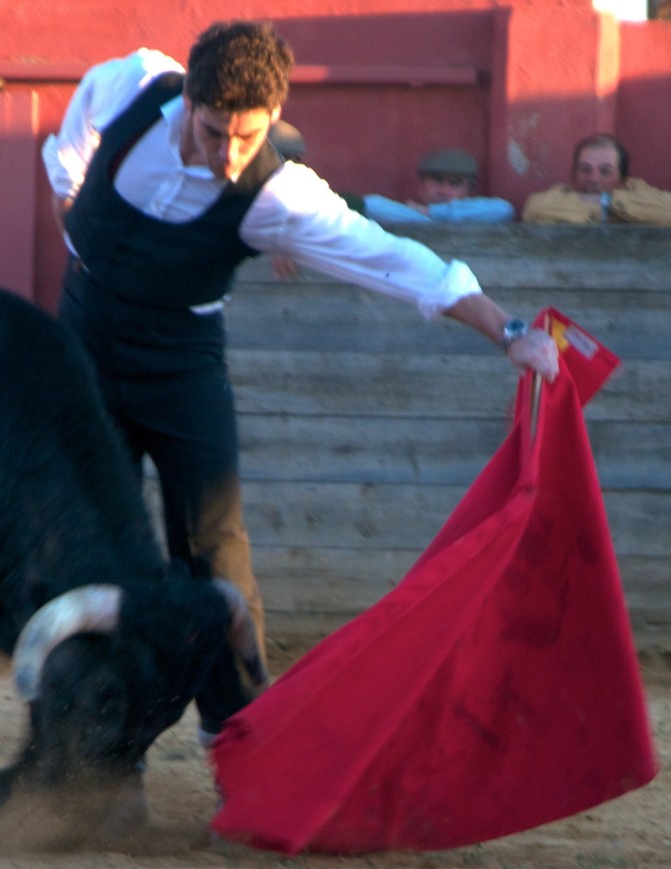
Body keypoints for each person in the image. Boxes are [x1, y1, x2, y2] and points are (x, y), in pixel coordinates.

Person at [41, 20, 558, 734]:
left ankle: (240, 736)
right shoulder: (129, 84)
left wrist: (508, 331)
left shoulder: (279, 196)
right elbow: (67, 151)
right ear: (188, 100)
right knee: (94, 539)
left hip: (178, 362)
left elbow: (393, 260)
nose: (229, 154)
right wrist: (73, 213)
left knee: (212, 544)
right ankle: (94, 740)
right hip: (84, 344)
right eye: (216, 131)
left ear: (274, 121)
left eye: (248, 138)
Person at [523, 133, 671, 225]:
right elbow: (533, 210)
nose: (593, 178)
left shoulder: (636, 189)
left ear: (623, 178)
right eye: (585, 169)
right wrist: (613, 214)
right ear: (574, 174)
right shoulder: (562, 193)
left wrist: (605, 201)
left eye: (605, 171)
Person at [364, 148, 515, 225]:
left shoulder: (478, 215)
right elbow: (370, 205)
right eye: (436, 180)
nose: (444, 190)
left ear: (468, 190)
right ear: (420, 186)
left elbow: (503, 210)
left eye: (454, 183)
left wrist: (429, 212)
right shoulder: (406, 214)